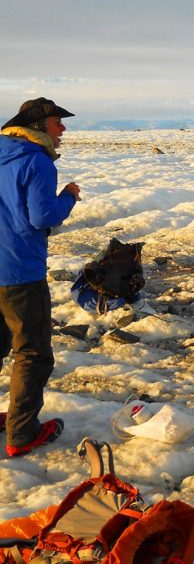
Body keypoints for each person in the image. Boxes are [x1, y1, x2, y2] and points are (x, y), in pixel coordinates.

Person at [0, 98, 80, 456]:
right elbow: (42, 217)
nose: (62, 129)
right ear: (38, 126)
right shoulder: (37, 161)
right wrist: (69, 197)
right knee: (33, 352)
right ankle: (22, 433)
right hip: (20, 271)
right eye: (57, 122)